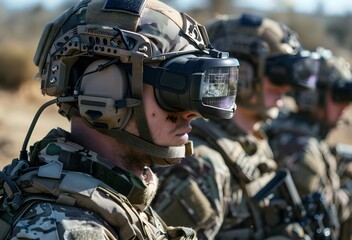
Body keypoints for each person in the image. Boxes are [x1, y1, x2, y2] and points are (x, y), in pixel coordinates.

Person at [0, 0, 240, 239]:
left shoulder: (115, 201)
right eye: (175, 91)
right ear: (104, 89)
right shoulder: (65, 228)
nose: (192, 113)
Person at [152, 13, 319, 239]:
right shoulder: (201, 165)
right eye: (278, 75)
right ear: (242, 76)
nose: (286, 88)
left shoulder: (254, 142)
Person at [265, 47, 352, 240]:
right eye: (340, 97)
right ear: (312, 96)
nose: (346, 106)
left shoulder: (294, 132)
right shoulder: (300, 147)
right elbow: (320, 211)